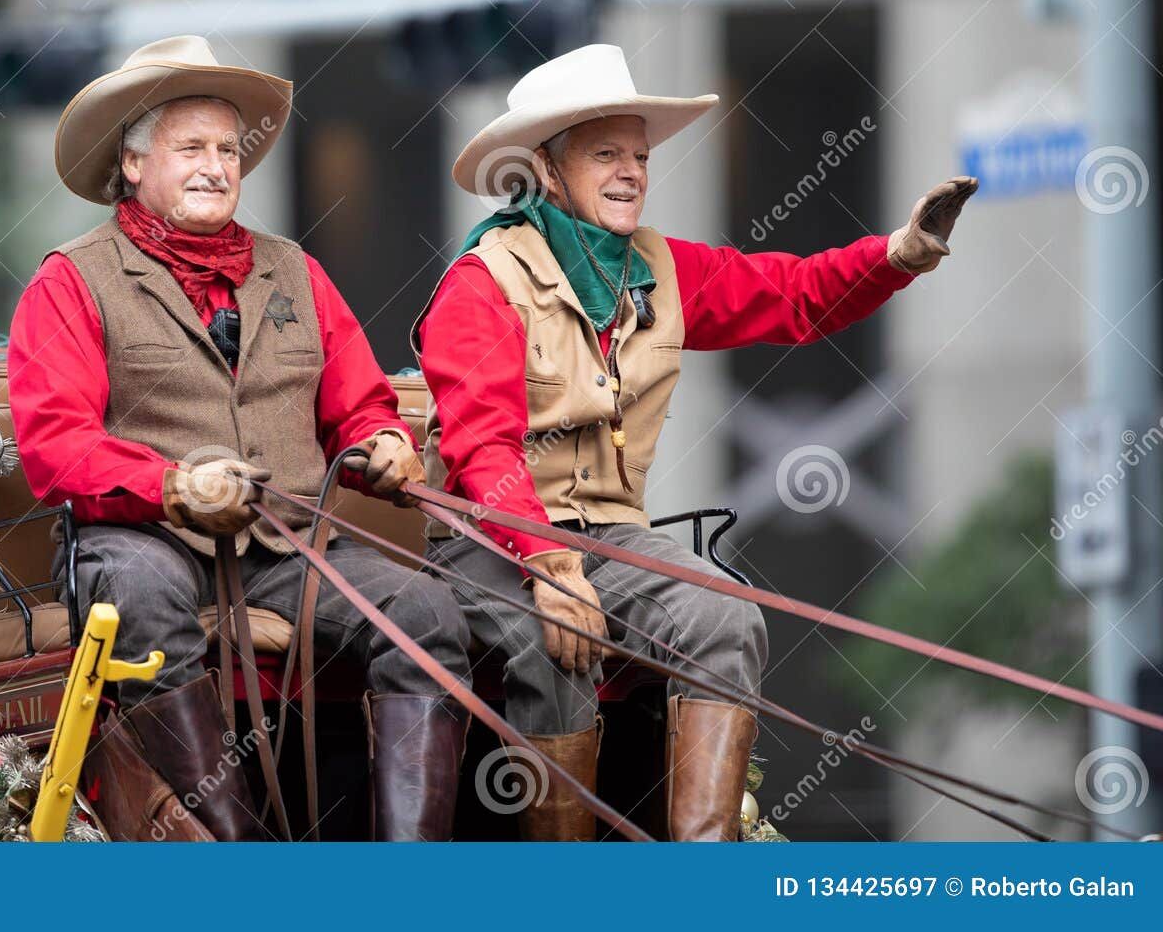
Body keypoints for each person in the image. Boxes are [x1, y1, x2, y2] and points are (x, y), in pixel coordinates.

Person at [414, 43, 975, 840]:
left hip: (612, 537)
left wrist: (898, 255)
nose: (630, 172)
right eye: (605, 153)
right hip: (490, 543)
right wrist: (549, 566)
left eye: (639, 155)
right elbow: (482, 450)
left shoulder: (661, 267)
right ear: (544, 168)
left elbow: (794, 297)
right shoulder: (481, 282)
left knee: (728, 615)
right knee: (557, 645)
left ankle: (703, 878)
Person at [8, 36, 471, 841]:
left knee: (427, 610)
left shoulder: (295, 271)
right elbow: (55, 443)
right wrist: (174, 486)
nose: (216, 166)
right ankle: (242, 858)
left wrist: (386, 440)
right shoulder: (70, 280)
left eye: (229, 149)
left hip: (287, 549)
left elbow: (358, 405)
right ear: (132, 165)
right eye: (191, 147)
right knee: (146, 598)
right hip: (136, 540)